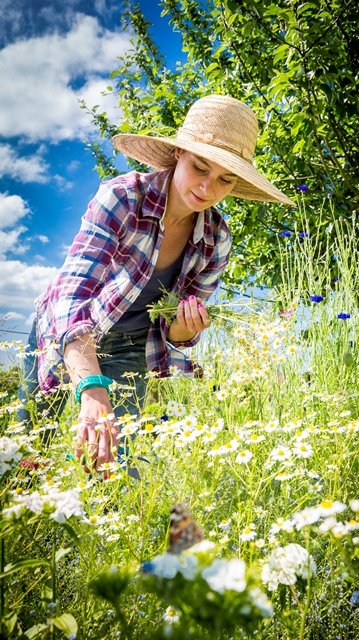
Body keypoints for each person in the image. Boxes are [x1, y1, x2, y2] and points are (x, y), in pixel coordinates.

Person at [17, 94, 294, 474]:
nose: (208, 188)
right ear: (178, 155)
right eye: (200, 167)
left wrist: (182, 331)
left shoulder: (217, 239)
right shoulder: (122, 199)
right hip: (62, 331)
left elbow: (174, 335)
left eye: (225, 179)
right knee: (29, 443)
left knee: (112, 463)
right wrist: (91, 387)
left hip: (131, 348)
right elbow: (72, 294)